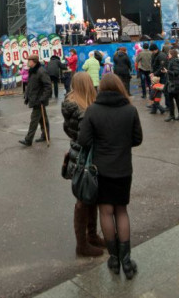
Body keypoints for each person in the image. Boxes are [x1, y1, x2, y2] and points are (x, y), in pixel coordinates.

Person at [77, 74, 143, 280]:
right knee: (121, 211)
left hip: (101, 169)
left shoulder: (93, 110)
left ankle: (113, 259)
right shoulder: (130, 110)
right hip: (123, 168)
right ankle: (127, 261)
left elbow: (84, 140)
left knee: (105, 212)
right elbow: (137, 139)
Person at [61, 72, 106, 257]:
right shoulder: (84, 109)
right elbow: (85, 138)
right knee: (83, 199)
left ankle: (92, 235)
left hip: (76, 153)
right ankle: (82, 244)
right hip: (85, 157)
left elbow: (68, 130)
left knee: (90, 197)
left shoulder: (70, 103)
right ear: (88, 85)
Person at [19, 55, 52, 146]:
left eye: (29, 61)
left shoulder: (41, 71)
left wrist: (43, 98)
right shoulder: (32, 71)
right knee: (43, 119)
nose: (27, 62)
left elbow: (48, 86)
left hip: (39, 100)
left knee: (34, 120)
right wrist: (27, 96)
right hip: (35, 99)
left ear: (34, 61)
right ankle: (45, 136)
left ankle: (28, 140)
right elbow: (30, 86)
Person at [164, 49, 179, 122]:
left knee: (171, 99)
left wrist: (168, 71)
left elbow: (176, 72)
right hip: (176, 82)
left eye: (169, 54)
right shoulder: (175, 61)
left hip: (174, 83)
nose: (168, 55)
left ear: (172, 55)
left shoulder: (174, 62)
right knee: (176, 99)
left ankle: (172, 115)